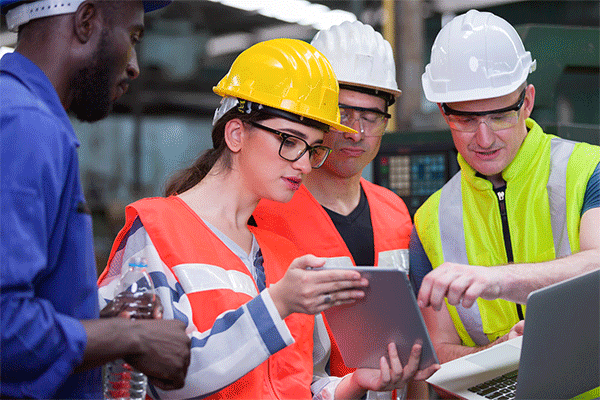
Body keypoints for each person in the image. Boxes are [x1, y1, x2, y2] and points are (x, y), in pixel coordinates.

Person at [97, 38, 424, 400]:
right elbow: (161, 379)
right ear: (236, 134)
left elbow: (299, 385)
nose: (303, 163)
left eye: (313, 148)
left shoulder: (282, 256)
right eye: (290, 140)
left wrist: (354, 384)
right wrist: (278, 304)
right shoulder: (158, 233)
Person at [0, 1, 192, 399]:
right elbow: (4, 324)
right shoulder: (26, 125)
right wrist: (129, 335)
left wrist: (92, 324)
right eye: (133, 37)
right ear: (86, 22)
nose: (135, 65)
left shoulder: (19, 112)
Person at [253, 21, 438, 399]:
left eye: (371, 117)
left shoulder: (396, 212)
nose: (356, 132)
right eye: (343, 113)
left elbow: (417, 351)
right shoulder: (266, 213)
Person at [412, 9, 600, 364]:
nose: (484, 139)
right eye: (466, 119)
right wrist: (497, 355)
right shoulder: (430, 221)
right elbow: (437, 351)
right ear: (443, 112)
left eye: (499, 116)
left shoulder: (587, 169)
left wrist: (497, 280)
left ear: (526, 102)